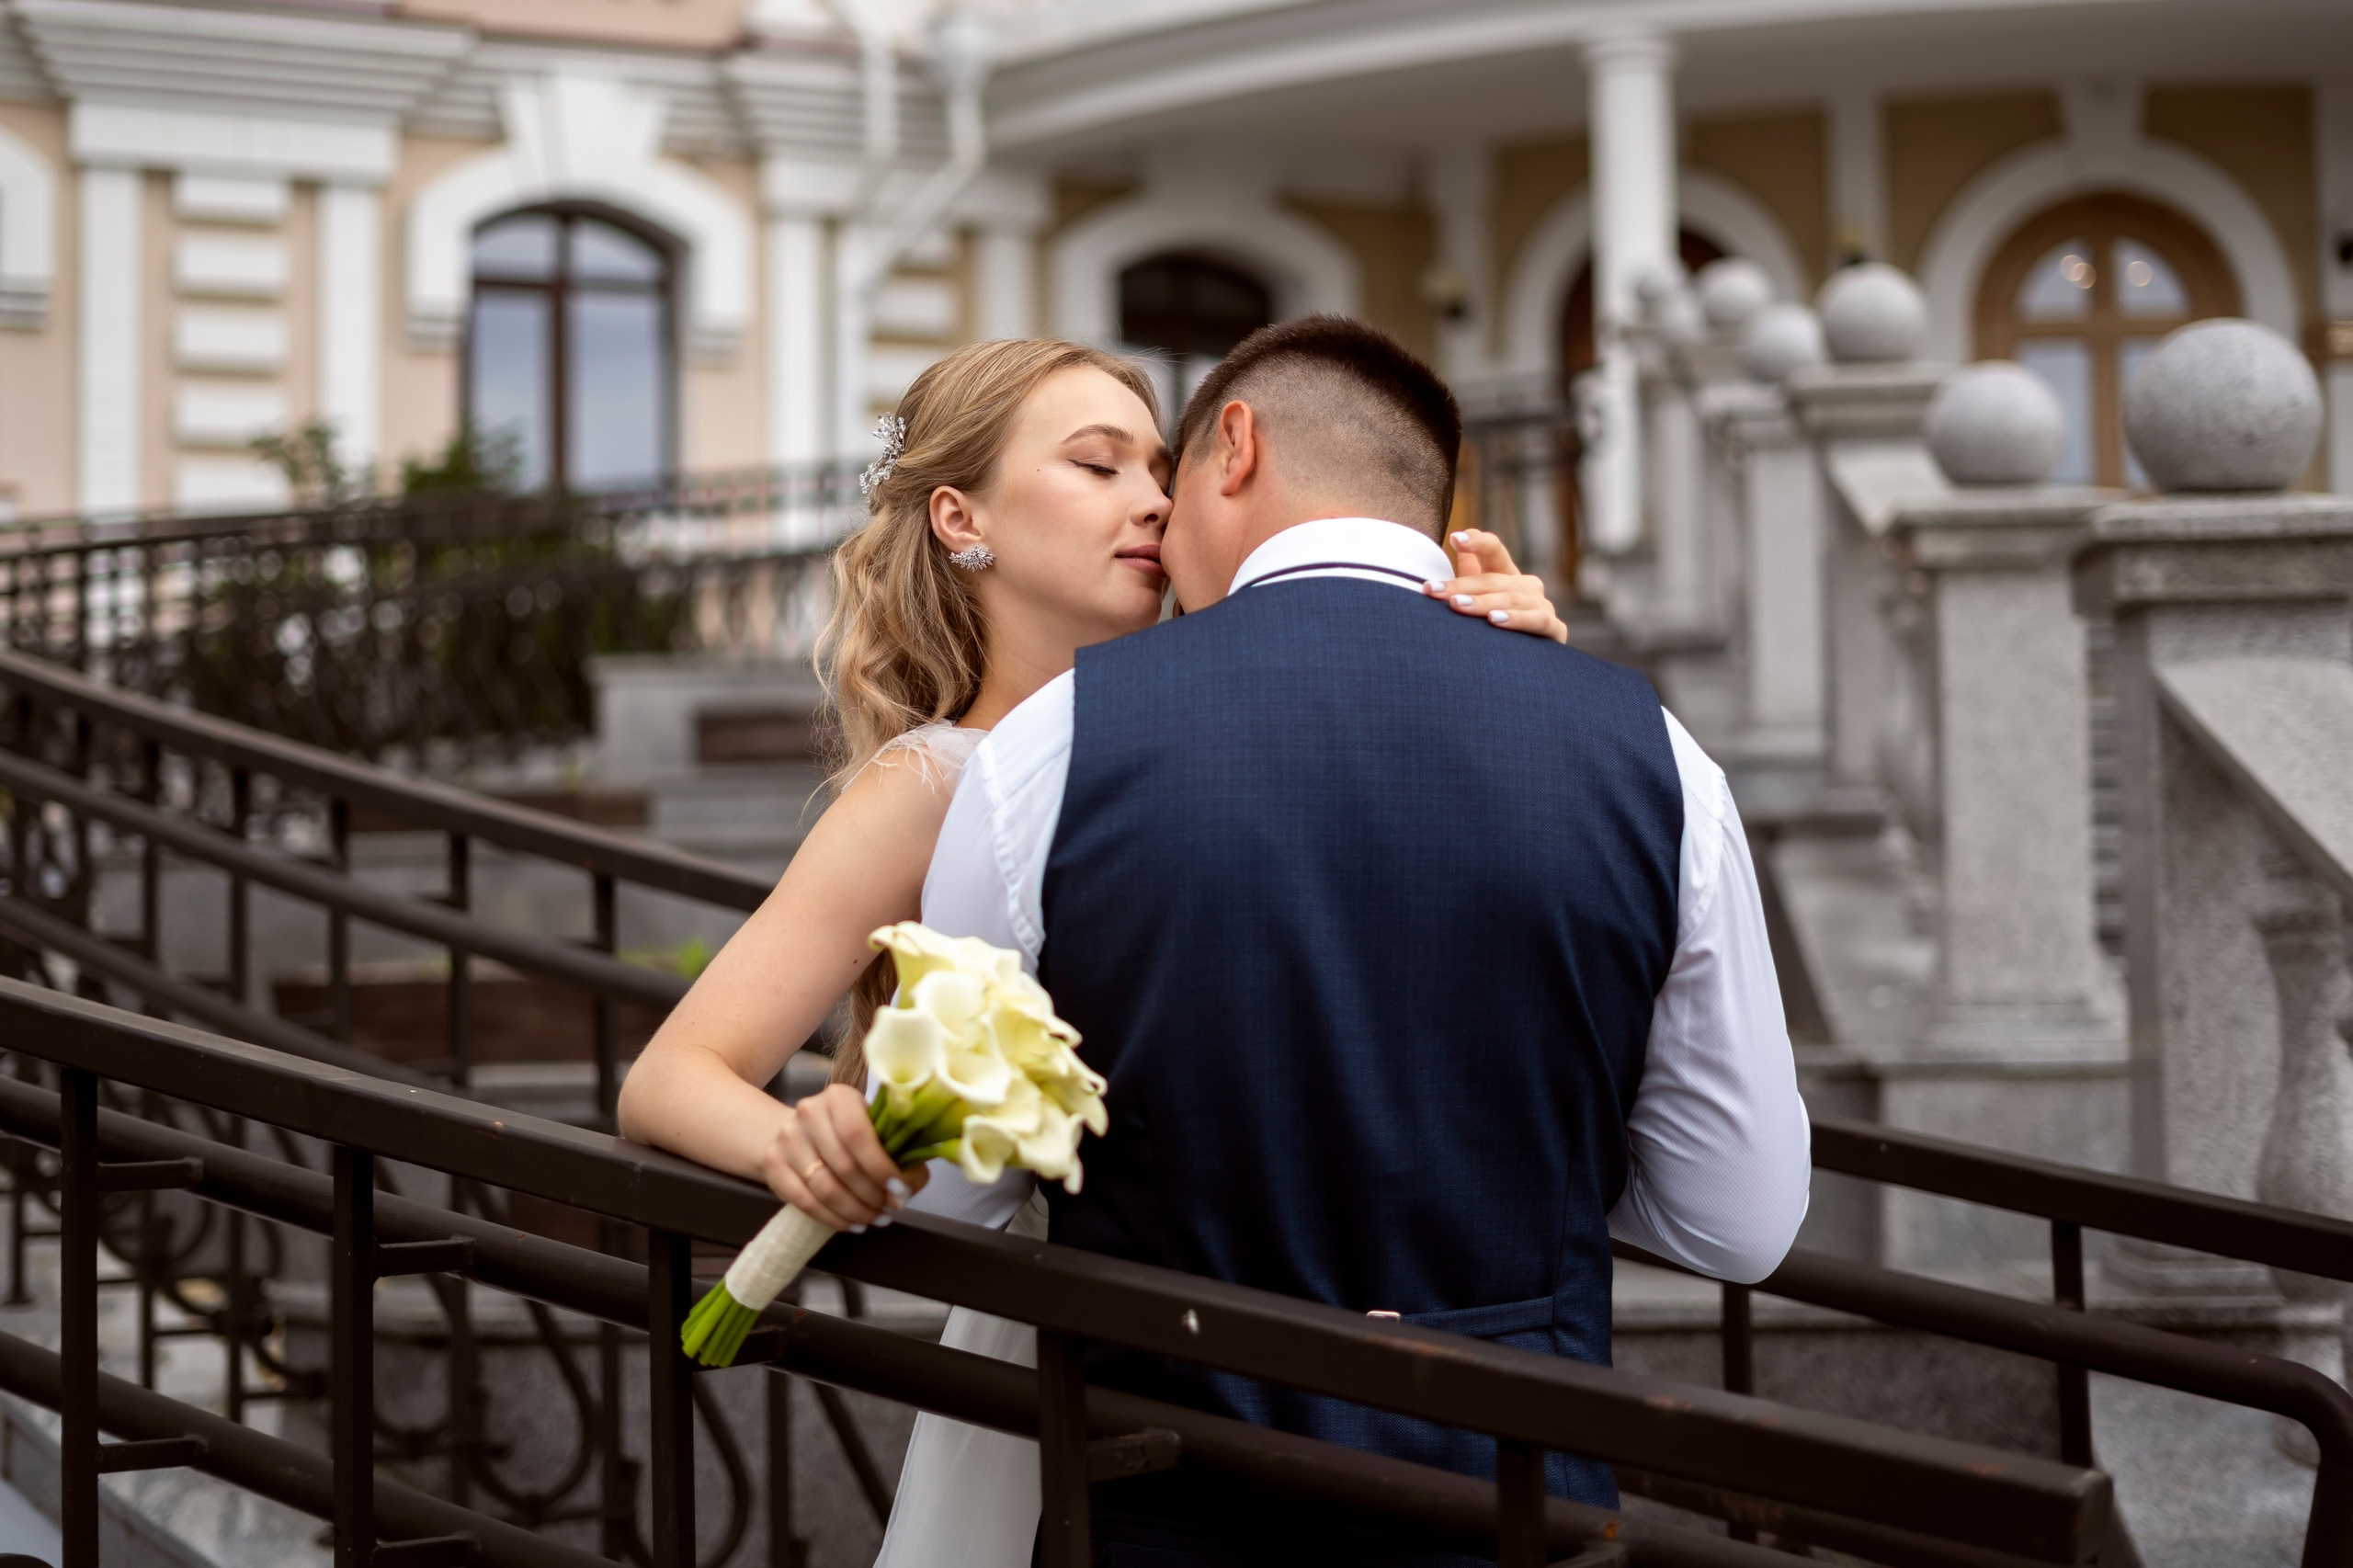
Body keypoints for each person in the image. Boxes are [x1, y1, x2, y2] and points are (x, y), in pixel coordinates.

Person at [788, 315, 1813, 1564]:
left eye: (1162, 473)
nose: (1155, 521)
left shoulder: (1054, 750)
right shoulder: (1652, 752)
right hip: (1516, 1493)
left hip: (1176, 1491)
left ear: (1236, 444)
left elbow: (953, 1183)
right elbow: (1740, 1220)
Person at [612, 334, 1571, 1565]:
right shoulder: (930, 785)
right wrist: (802, 1143)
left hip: (1301, 1339)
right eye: (1098, 464)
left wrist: (1488, 643)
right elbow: (668, 1074)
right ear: (963, 517)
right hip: (1077, 1345)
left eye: (1161, 467)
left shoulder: (1220, 721)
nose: (1153, 499)